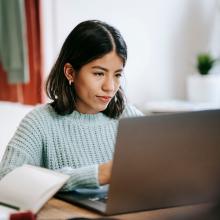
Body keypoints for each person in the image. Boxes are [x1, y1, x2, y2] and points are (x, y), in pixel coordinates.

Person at [0, 20, 143, 191]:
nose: (110, 87)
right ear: (70, 72)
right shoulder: (40, 122)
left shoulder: (129, 116)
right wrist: (96, 174)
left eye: (117, 75)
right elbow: (6, 180)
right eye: (99, 73)